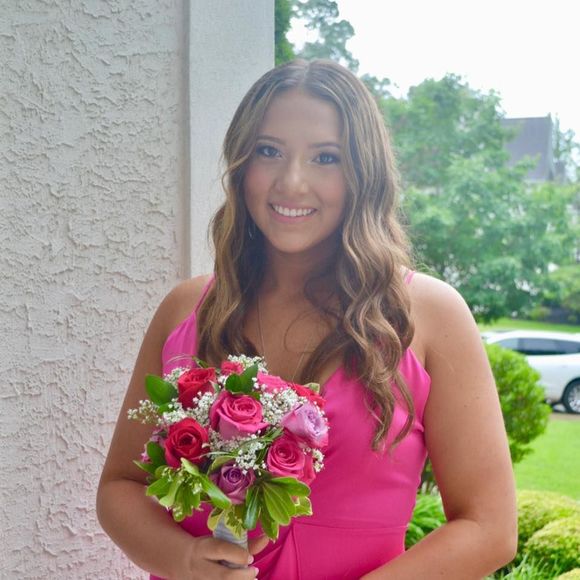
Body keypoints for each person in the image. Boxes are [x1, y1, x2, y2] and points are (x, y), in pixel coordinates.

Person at [97, 59, 517, 579]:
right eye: (269, 151)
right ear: (241, 164)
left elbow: (488, 526)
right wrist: (183, 560)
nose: (292, 182)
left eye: (325, 158)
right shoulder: (185, 310)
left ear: (363, 173)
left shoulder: (429, 315)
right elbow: (121, 487)